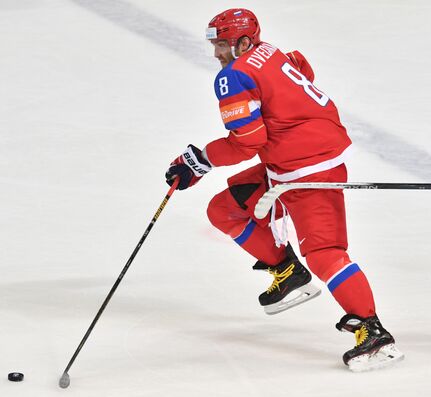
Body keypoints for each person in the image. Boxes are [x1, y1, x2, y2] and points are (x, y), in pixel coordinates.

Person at [165, 8, 403, 372]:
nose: (216, 54)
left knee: (326, 253)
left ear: (243, 42)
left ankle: (374, 334)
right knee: (223, 209)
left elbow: (247, 142)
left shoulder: (234, 76)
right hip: (291, 164)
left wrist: (199, 159)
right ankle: (288, 272)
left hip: (308, 174)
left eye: (222, 45)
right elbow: (301, 67)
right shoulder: (270, 51)